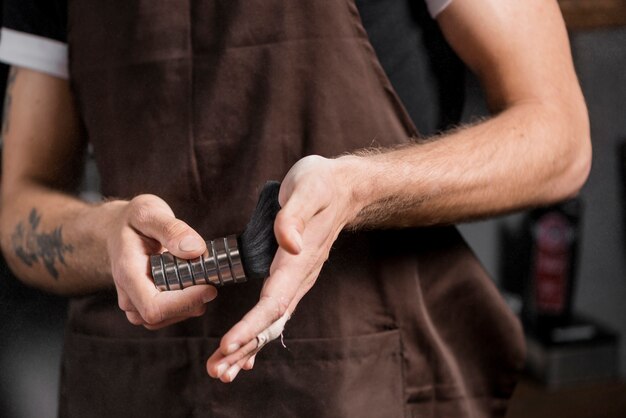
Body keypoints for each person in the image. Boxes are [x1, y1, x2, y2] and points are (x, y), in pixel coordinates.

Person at [0, 0, 590, 416]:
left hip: (359, 382)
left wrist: (361, 188)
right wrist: (102, 233)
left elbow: (559, 138)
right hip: (129, 385)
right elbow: (19, 204)